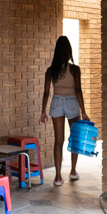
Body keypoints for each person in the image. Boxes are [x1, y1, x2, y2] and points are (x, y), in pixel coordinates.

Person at [40, 36, 88, 186]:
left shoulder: (50, 71)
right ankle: (73, 171)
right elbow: (78, 90)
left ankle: (58, 177)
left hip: (56, 103)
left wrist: (43, 111)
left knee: (58, 140)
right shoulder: (74, 69)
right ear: (68, 52)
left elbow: (46, 93)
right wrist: (84, 111)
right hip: (73, 102)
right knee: (74, 138)